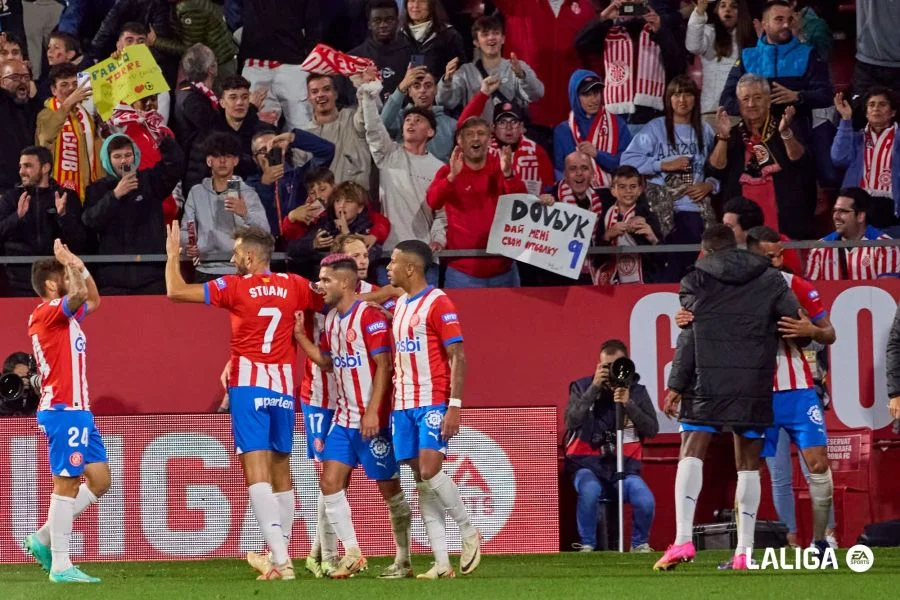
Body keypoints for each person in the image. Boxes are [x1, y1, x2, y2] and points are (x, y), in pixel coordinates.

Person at [165, 224, 325, 581]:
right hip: (282, 387)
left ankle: (281, 561)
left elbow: (175, 291)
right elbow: (331, 295)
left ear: (251, 257)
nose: (233, 259)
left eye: (237, 253)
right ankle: (279, 553)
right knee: (282, 471)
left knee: (256, 473)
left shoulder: (234, 287)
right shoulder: (295, 285)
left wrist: (173, 255)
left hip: (249, 386)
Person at [675, 224, 838, 561]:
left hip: (796, 389)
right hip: (757, 390)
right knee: (759, 471)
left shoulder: (795, 285)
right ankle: (770, 544)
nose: (775, 261)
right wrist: (690, 318)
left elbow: (829, 333)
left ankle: (822, 540)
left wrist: (810, 330)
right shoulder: (732, 284)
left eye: (778, 255)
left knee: (817, 464)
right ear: (749, 256)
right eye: (768, 256)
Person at [654, 224, 801, 571]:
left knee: (691, 449)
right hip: (752, 382)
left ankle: (683, 539)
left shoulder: (695, 280)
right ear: (736, 247)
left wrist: (676, 384)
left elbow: (689, 336)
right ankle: (744, 553)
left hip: (705, 380)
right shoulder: (771, 278)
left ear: (705, 251)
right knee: (748, 464)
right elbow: (796, 324)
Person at [293, 255, 412, 579]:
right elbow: (327, 363)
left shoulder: (368, 316)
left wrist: (373, 411)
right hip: (344, 420)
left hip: (373, 422)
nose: (320, 286)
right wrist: (301, 338)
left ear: (345, 283)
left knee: (390, 491)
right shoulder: (332, 319)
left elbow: (385, 366)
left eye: (326, 280)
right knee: (329, 482)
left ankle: (403, 559)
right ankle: (353, 552)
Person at [385, 239, 482, 579]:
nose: (388, 267)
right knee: (422, 482)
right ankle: (441, 563)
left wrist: (454, 405)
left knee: (429, 470)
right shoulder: (400, 304)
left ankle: (468, 530)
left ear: (411, 268)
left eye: (393, 262)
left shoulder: (439, 302)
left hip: (431, 399)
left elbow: (459, 356)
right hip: (402, 404)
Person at [22, 241, 109, 583]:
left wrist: (77, 264)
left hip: (79, 410)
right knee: (67, 483)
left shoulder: (66, 317)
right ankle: (61, 565)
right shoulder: (48, 313)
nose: (70, 278)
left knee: (100, 480)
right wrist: (71, 263)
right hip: (63, 409)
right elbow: (80, 294)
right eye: (64, 275)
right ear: (51, 285)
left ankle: (43, 537)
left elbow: (94, 299)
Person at [564, 338, 657, 552]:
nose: (613, 372)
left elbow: (651, 429)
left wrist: (628, 404)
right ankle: (587, 544)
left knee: (645, 501)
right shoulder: (582, 387)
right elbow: (571, 421)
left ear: (627, 364)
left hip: (624, 468)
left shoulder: (637, 392)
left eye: (617, 366)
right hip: (587, 465)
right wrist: (594, 388)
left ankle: (639, 544)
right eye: (606, 366)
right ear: (598, 366)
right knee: (589, 490)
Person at [621, 75, 718, 282]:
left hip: (695, 208)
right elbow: (627, 161)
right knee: (669, 269)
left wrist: (709, 185)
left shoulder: (706, 130)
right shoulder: (655, 128)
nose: (682, 100)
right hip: (662, 207)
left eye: (688, 94)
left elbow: (717, 169)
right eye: (676, 94)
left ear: (696, 98)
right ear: (669, 99)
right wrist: (663, 165)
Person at [359, 73, 444, 284]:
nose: (410, 123)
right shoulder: (389, 154)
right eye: (407, 120)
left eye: (418, 120)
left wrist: (438, 240)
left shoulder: (440, 169)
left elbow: (443, 214)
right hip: (390, 255)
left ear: (430, 132)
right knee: (390, 306)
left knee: (424, 307)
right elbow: (374, 129)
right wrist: (368, 95)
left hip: (424, 256)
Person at [708, 74, 815, 240]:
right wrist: (723, 137)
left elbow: (800, 160)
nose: (751, 104)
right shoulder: (731, 134)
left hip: (783, 222)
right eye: (745, 99)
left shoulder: (784, 126)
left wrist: (785, 133)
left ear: (768, 100)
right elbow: (715, 169)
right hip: (741, 229)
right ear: (738, 104)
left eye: (757, 97)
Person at [426, 117, 526, 288]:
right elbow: (433, 202)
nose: (476, 138)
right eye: (469, 134)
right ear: (460, 140)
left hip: (504, 268)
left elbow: (521, 205)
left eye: (481, 133)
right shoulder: (448, 171)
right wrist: (451, 178)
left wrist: (508, 175)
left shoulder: (501, 167)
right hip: (462, 272)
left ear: (489, 139)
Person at [82, 131, 184, 295]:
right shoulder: (96, 189)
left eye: (128, 155)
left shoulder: (150, 180)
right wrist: (115, 195)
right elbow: (90, 221)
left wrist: (164, 141)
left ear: (135, 156)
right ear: (107, 160)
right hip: (112, 280)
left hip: (152, 277)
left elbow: (175, 166)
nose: (123, 161)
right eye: (117, 156)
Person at [719, 1, 832, 136]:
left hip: (796, 135)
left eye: (790, 20)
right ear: (764, 24)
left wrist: (798, 96)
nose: (786, 25)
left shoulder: (808, 54)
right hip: (754, 137)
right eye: (779, 19)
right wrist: (755, 107)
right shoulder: (747, 56)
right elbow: (726, 101)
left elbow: (826, 95)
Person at [575, 1, 686, 132]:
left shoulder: (659, 26)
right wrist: (603, 18)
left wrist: (660, 32)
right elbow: (580, 43)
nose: (631, 3)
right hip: (616, 117)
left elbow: (677, 67)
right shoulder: (607, 30)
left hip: (651, 116)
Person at [490, 0, 597, 129]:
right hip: (524, 117)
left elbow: (594, 60)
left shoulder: (585, 8)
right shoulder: (518, 3)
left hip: (572, 115)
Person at [181, 132, 269, 282]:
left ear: (235, 161)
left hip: (238, 269)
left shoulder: (247, 193)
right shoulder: (197, 192)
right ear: (209, 160)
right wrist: (189, 244)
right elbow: (185, 229)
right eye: (217, 156)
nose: (222, 161)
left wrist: (245, 213)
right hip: (205, 269)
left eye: (227, 156)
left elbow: (265, 232)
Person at [0, 146, 87, 296]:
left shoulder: (66, 196)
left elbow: (81, 241)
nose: (21, 171)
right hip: (17, 282)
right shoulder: (11, 198)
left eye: (28, 166)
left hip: (59, 281)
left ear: (45, 168)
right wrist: (17, 217)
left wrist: (63, 215)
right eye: (20, 166)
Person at [437, 14, 544, 124]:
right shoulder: (466, 72)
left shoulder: (517, 67)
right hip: (478, 131)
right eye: (485, 34)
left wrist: (522, 76)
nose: (491, 38)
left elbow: (537, 94)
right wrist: (447, 81)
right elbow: (445, 102)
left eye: (496, 33)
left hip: (510, 131)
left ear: (503, 39)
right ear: (476, 42)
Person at [459, 77, 555, 196]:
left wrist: (546, 198)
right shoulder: (482, 148)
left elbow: (548, 189)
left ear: (522, 127)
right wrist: (483, 94)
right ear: (493, 128)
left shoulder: (537, 152)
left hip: (525, 205)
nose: (508, 127)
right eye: (502, 122)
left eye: (513, 122)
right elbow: (462, 128)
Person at [237, 0, 323, 131]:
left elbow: (314, 23)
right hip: (256, 63)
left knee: (303, 126)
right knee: (256, 128)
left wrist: (312, 61)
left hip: (292, 64)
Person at [246, 128, 335, 238]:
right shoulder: (249, 186)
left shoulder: (299, 176)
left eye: (274, 147)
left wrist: (293, 138)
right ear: (255, 158)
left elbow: (327, 151)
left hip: (301, 242)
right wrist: (265, 185)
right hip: (264, 244)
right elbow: (258, 220)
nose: (269, 153)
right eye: (263, 150)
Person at [832, 88, 899, 231]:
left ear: (893, 112)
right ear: (866, 113)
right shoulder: (856, 138)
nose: (876, 108)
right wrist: (846, 120)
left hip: (893, 206)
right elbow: (839, 159)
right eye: (871, 104)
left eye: (882, 104)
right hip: (858, 203)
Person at [108, 93, 179, 224]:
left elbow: (174, 167)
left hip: (166, 206)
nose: (149, 104)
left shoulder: (163, 131)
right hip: (138, 205)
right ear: (132, 103)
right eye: (143, 99)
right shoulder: (122, 126)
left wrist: (177, 200)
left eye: (153, 99)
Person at [553, 70, 632, 187]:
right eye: (587, 95)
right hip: (574, 192)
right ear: (575, 97)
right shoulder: (562, 130)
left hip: (612, 191)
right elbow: (559, 170)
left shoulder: (617, 124)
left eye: (596, 93)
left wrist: (597, 154)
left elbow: (627, 164)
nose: (594, 100)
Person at [36, 63, 99, 201]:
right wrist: (67, 105)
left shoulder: (86, 114)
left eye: (75, 84)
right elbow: (46, 137)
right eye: (64, 85)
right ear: (53, 90)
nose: (71, 88)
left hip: (88, 187)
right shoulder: (46, 114)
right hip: (57, 191)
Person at [805, 188, 899, 281]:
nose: (836, 216)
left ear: (860, 216)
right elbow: (810, 288)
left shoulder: (885, 247)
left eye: (843, 211)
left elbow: (887, 288)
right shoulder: (819, 249)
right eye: (835, 211)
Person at [686, 0, 756, 118]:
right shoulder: (709, 32)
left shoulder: (750, 38)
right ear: (717, 11)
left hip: (739, 111)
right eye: (723, 6)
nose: (727, 9)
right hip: (710, 110)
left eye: (734, 6)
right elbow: (693, 46)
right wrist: (699, 11)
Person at [302, 74, 371, 190]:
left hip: (354, 197)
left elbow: (369, 112)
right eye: (314, 92)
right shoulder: (304, 136)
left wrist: (364, 86)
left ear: (336, 94)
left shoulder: (353, 118)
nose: (320, 95)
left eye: (326, 89)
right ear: (308, 98)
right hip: (320, 200)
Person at [594, 166, 662, 285]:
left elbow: (662, 259)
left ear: (640, 190)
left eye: (633, 186)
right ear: (613, 191)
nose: (628, 191)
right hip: (610, 282)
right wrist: (607, 236)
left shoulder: (648, 217)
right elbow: (596, 260)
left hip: (643, 282)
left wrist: (652, 238)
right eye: (622, 187)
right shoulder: (604, 217)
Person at [171, 43, 220, 194]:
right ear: (211, 69)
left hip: (199, 171)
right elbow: (214, 129)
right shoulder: (193, 100)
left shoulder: (186, 93)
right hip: (198, 174)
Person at [381, 64, 454, 162]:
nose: (422, 90)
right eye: (416, 86)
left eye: (428, 86)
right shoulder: (399, 118)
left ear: (436, 90)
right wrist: (402, 87)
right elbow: (380, 126)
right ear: (409, 92)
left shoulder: (451, 125)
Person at [152, 0, 238, 81]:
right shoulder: (178, 4)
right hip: (214, 59)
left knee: (223, 90)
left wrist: (155, 41)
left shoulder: (190, 7)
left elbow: (192, 49)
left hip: (217, 64)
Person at [349, 0, 412, 102]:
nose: (383, 25)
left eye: (389, 20)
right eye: (377, 20)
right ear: (369, 24)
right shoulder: (352, 58)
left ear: (397, 22)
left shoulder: (413, 54)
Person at [0, 58, 43, 196]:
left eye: (26, 77)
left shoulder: (35, 108)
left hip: (31, 187)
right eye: (15, 77)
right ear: (1, 82)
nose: (22, 81)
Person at [398, 0, 466, 83]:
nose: (415, 5)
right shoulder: (397, 36)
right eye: (412, 0)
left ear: (432, 5)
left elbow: (460, 75)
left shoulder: (449, 36)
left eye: (422, 1)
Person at [215, 75, 262, 181]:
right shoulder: (211, 133)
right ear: (222, 103)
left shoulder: (262, 132)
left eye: (244, 97)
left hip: (255, 187)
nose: (240, 102)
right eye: (233, 97)